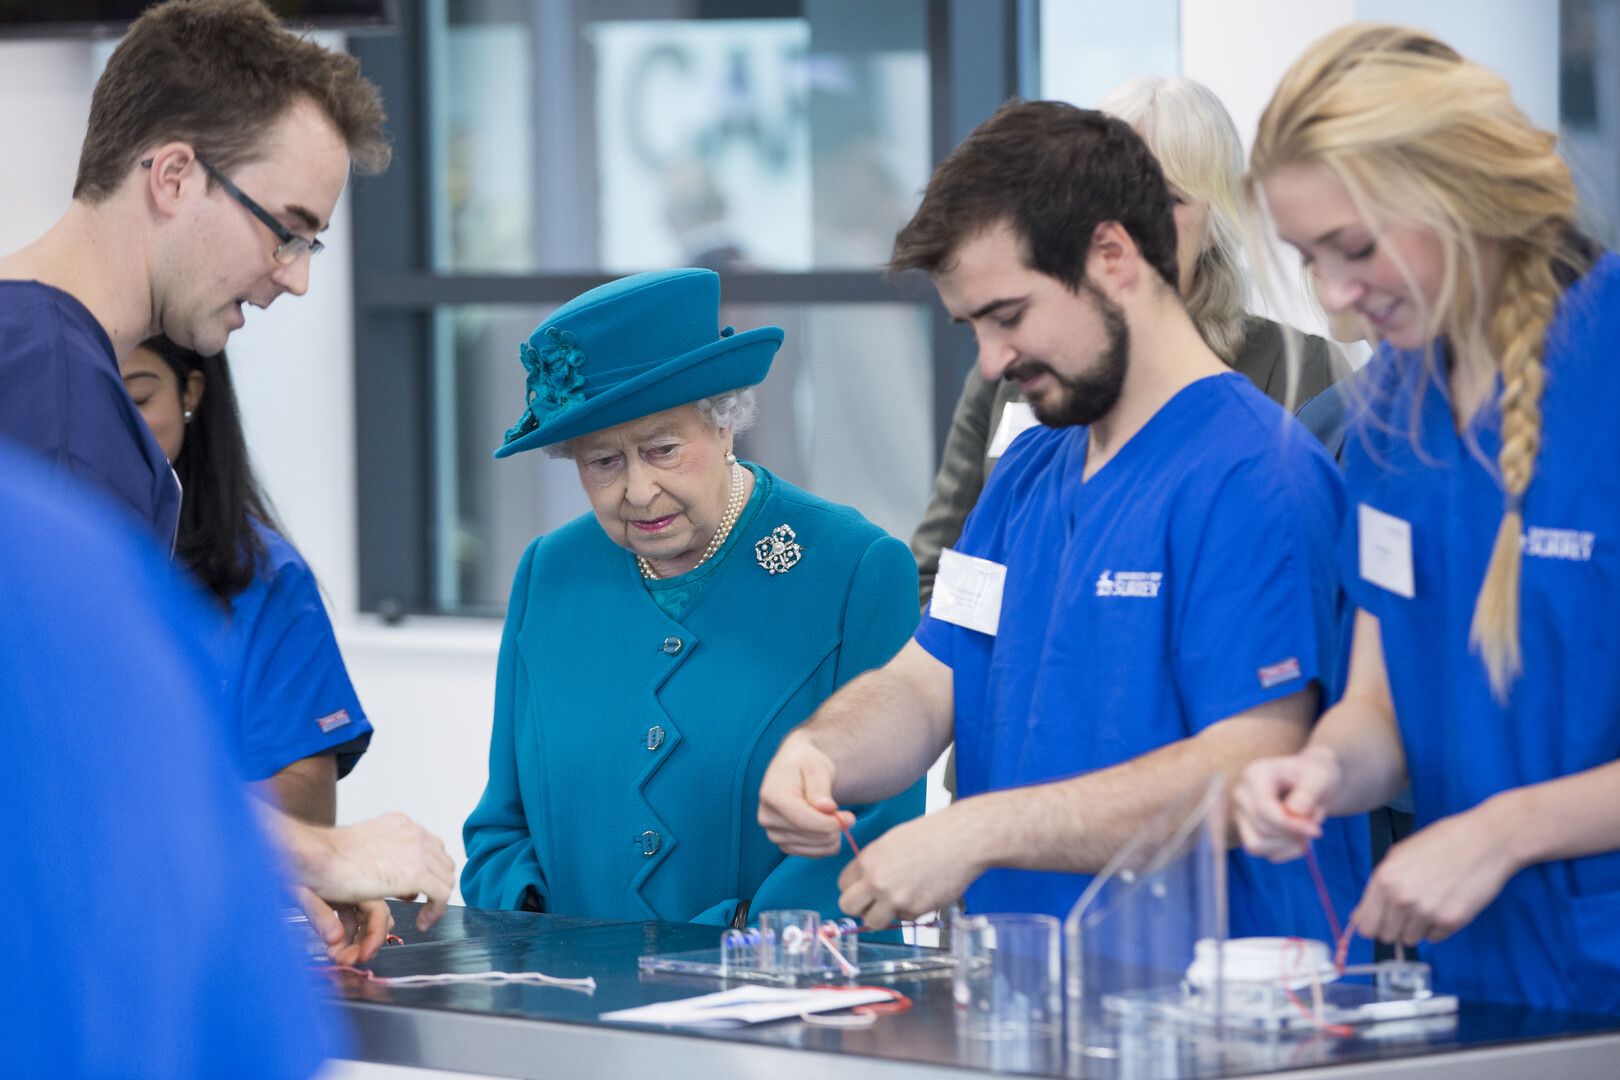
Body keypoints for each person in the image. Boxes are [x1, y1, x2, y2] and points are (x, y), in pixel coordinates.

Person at [757, 101, 1367, 939]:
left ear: (1112, 257)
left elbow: (1250, 761)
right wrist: (820, 752)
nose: (992, 361)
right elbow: (929, 680)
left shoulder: (1258, 475)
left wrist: (979, 830)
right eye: (974, 327)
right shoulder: (1030, 471)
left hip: (1216, 993)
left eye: (1009, 317)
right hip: (1028, 984)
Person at [0, 0, 450, 953]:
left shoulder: (28, 350)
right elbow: (67, 753)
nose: (294, 276)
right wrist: (319, 852)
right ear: (172, 176)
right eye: (285, 230)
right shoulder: (60, 402)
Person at [1233, 24, 1620, 1013]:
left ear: (1463, 189)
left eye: (1356, 248)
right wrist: (1321, 771)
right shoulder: (1390, 416)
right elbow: (1382, 710)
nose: (1335, 294)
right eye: (1308, 259)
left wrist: (1505, 831)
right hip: (1474, 991)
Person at [461, 268, 924, 925]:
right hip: (571, 983)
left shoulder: (855, 570)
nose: (639, 491)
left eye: (663, 450)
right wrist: (540, 925)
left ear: (724, 425)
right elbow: (500, 830)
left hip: (779, 984)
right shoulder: (550, 572)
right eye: (603, 462)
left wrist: (731, 948)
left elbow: (876, 830)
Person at [912, 77, 1345, 604]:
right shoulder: (1018, 380)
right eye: (1103, 200)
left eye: (1166, 199)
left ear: (1216, 222)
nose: (1129, 227)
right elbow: (940, 577)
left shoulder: (1290, 373)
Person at [0, 443, 344, 1078]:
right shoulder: (64, 567)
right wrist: (308, 855)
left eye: (139, 400)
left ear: (193, 400)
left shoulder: (77, 565)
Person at [123, 337, 372, 825]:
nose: (115, 425)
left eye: (138, 399)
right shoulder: (39, 556)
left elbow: (308, 808)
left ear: (191, 393)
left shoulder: (265, 578)